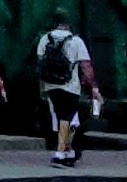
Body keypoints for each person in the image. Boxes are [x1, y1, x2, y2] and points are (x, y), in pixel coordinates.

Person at [31, 16, 93, 164]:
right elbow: (86, 66)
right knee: (67, 117)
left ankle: (68, 150)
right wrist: (94, 87)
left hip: (50, 85)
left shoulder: (45, 38)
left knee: (61, 117)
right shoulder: (76, 40)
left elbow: (40, 65)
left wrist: (42, 88)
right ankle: (60, 152)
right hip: (70, 85)